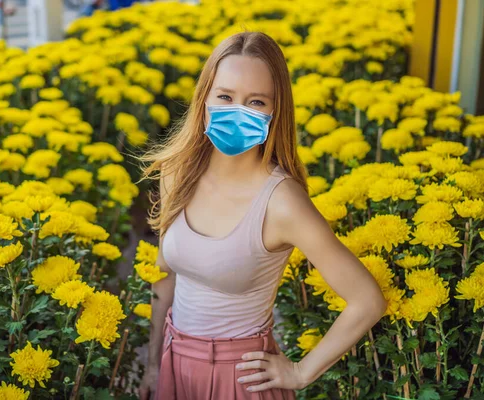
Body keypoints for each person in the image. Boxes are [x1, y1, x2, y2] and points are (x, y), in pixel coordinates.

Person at [136, 31, 388, 399]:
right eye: (225, 96)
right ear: (204, 98)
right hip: (175, 364)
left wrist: (302, 372)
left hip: (241, 378)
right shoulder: (178, 172)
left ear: (275, 111)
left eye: (255, 101)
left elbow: (367, 301)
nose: (237, 110)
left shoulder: (282, 202)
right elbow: (165, 273)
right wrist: (154, 364)